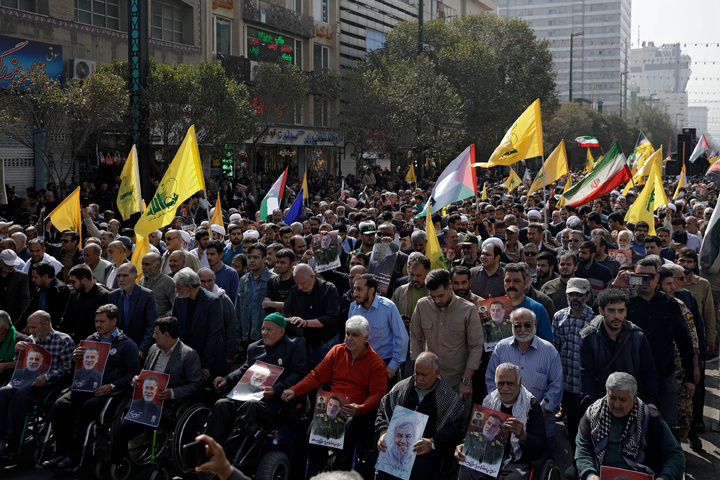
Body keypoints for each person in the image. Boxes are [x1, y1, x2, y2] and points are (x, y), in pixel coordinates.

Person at [281, 316, 386, 476]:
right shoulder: (337, 351)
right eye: (347, 334)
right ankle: (317, 476)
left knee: (349, 431)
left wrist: (361, 408)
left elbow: (378, 395)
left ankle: (340, 475)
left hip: (357, 412)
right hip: (334, 407)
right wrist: (295, 390)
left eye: (354, 335)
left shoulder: (376, 363)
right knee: (312, 435)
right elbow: (317, 376)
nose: (349, 338)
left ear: (366, 338)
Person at [43, 304, 141, 470]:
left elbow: (134, 373)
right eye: (96, 321)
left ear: (114, 321)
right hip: (84, 387)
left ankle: (75, 455)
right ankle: (61, 451)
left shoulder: (127, 345)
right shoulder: (90, 340)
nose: (98, 325)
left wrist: (112, 386)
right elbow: (77, 370)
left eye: (102, 321)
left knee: (88, 409)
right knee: (60, 405)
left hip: (107, 393)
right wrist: (75, 360)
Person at [614, 258, 695, 426]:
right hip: (633, 376)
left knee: (668, 427)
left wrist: (689, 378)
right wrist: (615, 285)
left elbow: (684, 341)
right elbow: (596, 311)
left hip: (664, 375)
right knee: (632, 427)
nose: (645, 280)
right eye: (640, 276)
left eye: (650, 276)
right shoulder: (624, 302)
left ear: (658, 277)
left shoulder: (670, 304)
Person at [205, 312, 306, 444]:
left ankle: (230, 452)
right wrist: (227, 379)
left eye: (269, 329)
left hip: (274, 402)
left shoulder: (294, 346)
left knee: (251, 406)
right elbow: (245, 369)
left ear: (281, 331)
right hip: (249, 394)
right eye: (263, 329)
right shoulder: (255, 348)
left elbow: (298, 373)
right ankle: (208, 448)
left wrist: (276, 389)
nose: (264, 332)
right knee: (222, 404)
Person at [575, 373, 684, 480]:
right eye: (612, 398)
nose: (617, 405)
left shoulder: (651, 419)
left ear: (634, 397)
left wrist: (665, 477)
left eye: (622, 400)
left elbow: (675, 455)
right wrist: (589, 474)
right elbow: (583, 450)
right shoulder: (592, 415)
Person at [376, 352, 465, 480]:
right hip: (396, 446)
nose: (419, 378)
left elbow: (454, 428)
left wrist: (432, 442)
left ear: (436, 373)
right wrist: (383, 433)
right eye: (417, 373)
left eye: (424, 375)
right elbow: (383, 411)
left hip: (425, 451)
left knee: (421, 467)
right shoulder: (400, 389)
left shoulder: (448, 398)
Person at [456, 363, 547, 480]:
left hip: (517, 462)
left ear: (519, 383)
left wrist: (523, 436)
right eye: (501, 383)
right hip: (487, 457)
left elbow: (541, 446)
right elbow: (474, 432)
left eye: (510, 383)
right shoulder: (488, 402)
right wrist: (464, 445)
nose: (504, 388)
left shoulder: (531, 405)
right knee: (466, 468)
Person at [410, 269, 483, 412]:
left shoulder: (468, 310)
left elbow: (476, 346)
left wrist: (466, 380)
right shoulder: (422, 305)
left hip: (457, 382)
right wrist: (418, 374)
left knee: (458, 426)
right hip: (429, 381)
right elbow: (415, 338)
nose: (437, 300)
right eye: (433, 296)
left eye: (441, 295)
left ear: (450, 287)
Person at [486, 308, 563, 438]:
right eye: (517, 325)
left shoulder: (549, 351)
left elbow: (556, 385)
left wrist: (542, 409)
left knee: (540, 454)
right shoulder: (501, 348)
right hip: (505, 418)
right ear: (511, 326)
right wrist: (499, 405)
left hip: (539, 422)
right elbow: (490, 379)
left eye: (527, 325)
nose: (522, 330)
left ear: (535, 325)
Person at [579, 289, 658, 408]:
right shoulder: (589, 338)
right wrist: (595, 407)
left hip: (631, 402)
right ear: (601, 311)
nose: (616, 316)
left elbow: (649, 373)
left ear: (626, 311)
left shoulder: (637, 337)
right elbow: (586, 376)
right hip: (600, 403)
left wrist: (651, 402)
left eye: (620, 310)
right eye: (611, 310)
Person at [551, 277, 595, 476]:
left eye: (580, 294)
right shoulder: (559, 317)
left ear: (587, 295)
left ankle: (588, 465)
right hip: (567, 385)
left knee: (588, 428)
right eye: (571, 294)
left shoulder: (595, 319)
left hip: (587, 386)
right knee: (571, 427)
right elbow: (556, 350)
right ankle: (577, 463)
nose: (575, 298)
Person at [349, 273, 408, 387]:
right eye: (354, 289)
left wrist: (392, 367)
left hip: (384, 364)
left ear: (371, 290)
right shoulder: (353, 308)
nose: (355, 293)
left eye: (359, 289)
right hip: (360, 364)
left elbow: (402, 338)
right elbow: (349, 337)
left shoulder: (388, 307)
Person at [171, 268, 226, 380]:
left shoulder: (212, 301)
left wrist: (205, 364)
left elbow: (213, 335)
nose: (177, 291)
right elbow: (176, 327)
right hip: (186, 357)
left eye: (179, 288)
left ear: (190, 288)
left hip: (209, 358)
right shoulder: (179, 300)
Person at [283, 263, 340, 368]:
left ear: (312, 276)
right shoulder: (295, 290)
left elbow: (331, 318)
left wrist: (305, 322)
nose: (300, 287)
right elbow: (286, 312)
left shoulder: (329, 289)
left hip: (325, 345)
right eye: (297, 283)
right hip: (303, 346)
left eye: (303, 283)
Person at [108, 263, 159, 359]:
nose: (121, 279)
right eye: (119, 276)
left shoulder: (147, 296)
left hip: (138, 349)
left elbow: (151, 325)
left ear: (135, 276)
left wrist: (142, 349)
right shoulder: (113, 296)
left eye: (125, 276)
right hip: (117, 349)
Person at [236, 243, 276, 347]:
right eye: (249, 257)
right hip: (246, 334)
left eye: (255, 257)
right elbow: (238, 310)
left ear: (264, 258)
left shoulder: (273, 280)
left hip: (265, 335)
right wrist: (238, 334)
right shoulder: (244, 280)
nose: (251, 260)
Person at [59, 264, 110, 343]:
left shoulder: (103, 296)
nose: (71, 285)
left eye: (73, 282)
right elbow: (67, 320)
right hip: (76, 342)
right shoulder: (74, 294)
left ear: (84, 280)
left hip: (95, 343)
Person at [503, 263, 552, 341]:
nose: (511, 285)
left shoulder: (538, 309)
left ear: (525, 283)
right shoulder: (495, 308)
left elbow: (548, 344)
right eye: (507, 281)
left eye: (516, 281)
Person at [17, 261, 71, 329]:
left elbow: (58, 316)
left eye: (35, 277)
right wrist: (17, 327)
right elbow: (30, 309)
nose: (33, 280)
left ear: (45, 276)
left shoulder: (60, 290)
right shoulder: (39, 289)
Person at [138, 252, 176, 316]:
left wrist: (164, 318)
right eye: (143, 264)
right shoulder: (141, 280)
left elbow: (176, 306)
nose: (143, 268)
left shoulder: (168, 282)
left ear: (157, 266)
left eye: (147, 265)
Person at [0, 249, 30, 323]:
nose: (10, 266)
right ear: (1, 261)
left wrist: (23, 320)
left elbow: (24, 299)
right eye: (8, 264)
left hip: (13, 318)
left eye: (12, 264)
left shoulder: (21, 277)